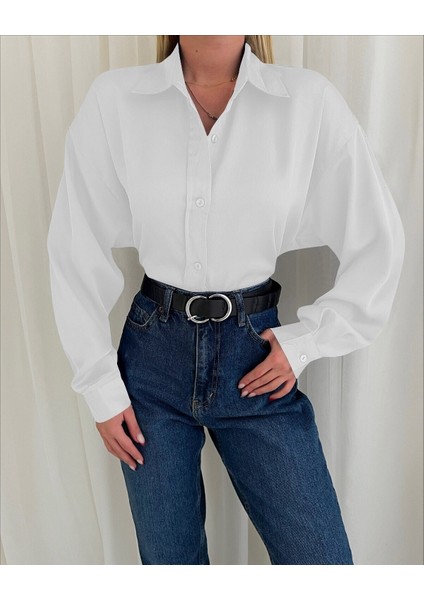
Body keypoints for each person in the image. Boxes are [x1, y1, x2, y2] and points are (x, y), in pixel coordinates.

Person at [46, 35, 405, 565]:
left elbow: (378, 239)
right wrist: (98, 385)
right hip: (151, 365)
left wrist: (308, 342)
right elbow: (75, 245)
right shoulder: (116, 100)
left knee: (322, 563)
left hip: (255, 358)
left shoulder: (306, 101)